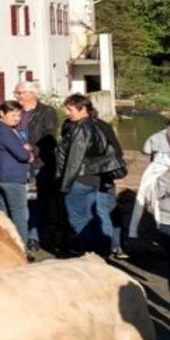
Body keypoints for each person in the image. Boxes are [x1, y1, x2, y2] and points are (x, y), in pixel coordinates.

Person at [56, 93, 124, 258]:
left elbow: (75, 160)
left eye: (70, 109)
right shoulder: (98, 125)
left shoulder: (82, 129)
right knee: (96, 217)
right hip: (94, 178)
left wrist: (65, 185)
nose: (67, 112)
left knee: (80, 220)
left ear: (83, 109)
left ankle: (90, 255)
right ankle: (103, 253)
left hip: (79, 179)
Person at [15, 81, 62, 252]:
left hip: (38, 163)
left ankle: (33, 237)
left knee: (36, 201)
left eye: (19, 93)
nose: (17, 96)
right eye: (16, 93)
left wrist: (32, 149)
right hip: (17, 162)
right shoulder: (15, 110)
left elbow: (49, 137)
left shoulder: (46, 112)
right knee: (21, 201)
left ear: (31, 94)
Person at [0, 101, 34, 249]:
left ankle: (3, 245)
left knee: (3, 211)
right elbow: (22, 154)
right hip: (11, 177)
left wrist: (25, 149)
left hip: (1, 176)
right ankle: (21, 248)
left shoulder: (1, 128)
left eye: (19, 115)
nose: (17, 118)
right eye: (13, 115)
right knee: (19, 214)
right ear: (2, 114)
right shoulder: (3, 130)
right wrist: (27, 152)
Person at [129, 116, 170, 240]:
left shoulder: (155, 137)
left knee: (142, 200)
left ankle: (133, 230)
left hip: (158, 179)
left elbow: (146, 151)